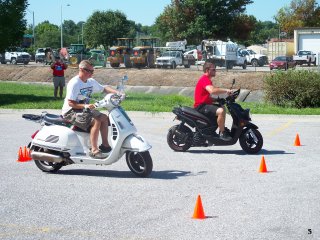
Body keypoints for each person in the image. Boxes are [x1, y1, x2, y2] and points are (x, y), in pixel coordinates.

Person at [62, 60, 120, 159]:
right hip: (71, 111)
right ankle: (94, 150)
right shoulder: (74, 83)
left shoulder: (90, 81)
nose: (91, 73)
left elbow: (104, 89)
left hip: (83, 109)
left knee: (104, 117)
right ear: (81, 69)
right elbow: (71, 103)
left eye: (92, 71)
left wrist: (118, 93)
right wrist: (85, 106)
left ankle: (105, 146)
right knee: (96, 120)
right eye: (89, 71)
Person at [194, 61, 233, 141]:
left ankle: (217, 130)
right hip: (201, 106)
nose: (215, 71)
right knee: (221, 111)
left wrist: (219, 98)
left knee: (222, 107)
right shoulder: (205, 79)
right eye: (214, 69)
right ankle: (222, 133)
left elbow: (208, 96)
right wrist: (226, 90)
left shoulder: (207, 80)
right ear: (208, 70)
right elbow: (212, 91)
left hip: (204, 105)